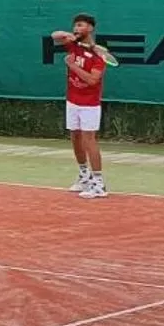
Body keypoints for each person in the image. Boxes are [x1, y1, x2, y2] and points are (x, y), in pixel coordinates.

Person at [51, 16, 110, 198]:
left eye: (80, 25)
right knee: (75, 137)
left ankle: (99, 183)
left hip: (89, 104)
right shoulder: (74, 45)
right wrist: (72, 35)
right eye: (75, 25)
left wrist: (71, 65)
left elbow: (93, 80)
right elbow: (54, 36)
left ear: (90, 28)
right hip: (72, 101)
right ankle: (84, 175)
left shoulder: (99, 55)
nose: (76, 27)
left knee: (88, 140)